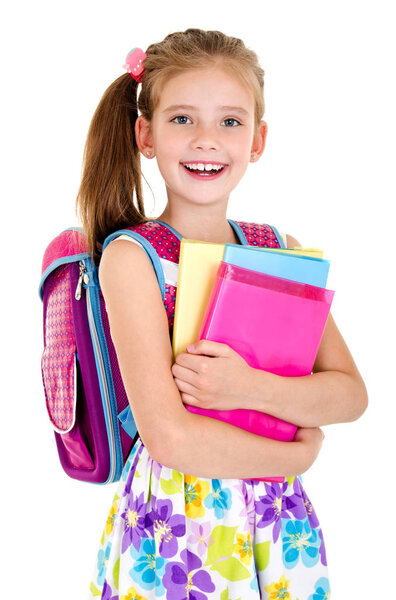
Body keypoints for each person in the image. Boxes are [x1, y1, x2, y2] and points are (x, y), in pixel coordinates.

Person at [80, 28, 367, 600]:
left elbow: (349, 394)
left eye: (230, 122)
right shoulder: (133, 258)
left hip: (276, 527)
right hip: (176, 529)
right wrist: (296, 454)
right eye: (182, 119)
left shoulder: (277, 250)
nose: (207, 140)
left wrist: (247, 386)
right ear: (146, 134)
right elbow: (169, 438)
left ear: (257, 140)